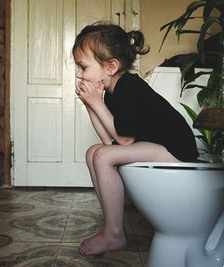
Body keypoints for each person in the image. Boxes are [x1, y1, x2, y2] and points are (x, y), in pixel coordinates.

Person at [72, 22, 199, 256]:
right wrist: (91, 105)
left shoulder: (128, 87)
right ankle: (110, 226)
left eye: (83, 67)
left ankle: (114, 234)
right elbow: (109, 140)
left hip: (176, 148)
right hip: (155, 146)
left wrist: (97, 103)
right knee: (94, 153)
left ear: (110, 66)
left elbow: (125, 141)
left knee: (100, 154)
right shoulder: (112, 92)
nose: (80, 74)